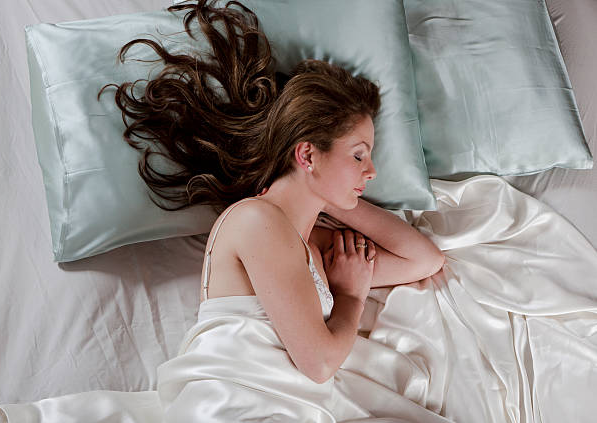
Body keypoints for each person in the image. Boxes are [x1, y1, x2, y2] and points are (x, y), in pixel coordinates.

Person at [101, 0, 445, 412]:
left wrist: (335, 197)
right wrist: (351, 296)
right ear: (307, 155)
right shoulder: (256, 221)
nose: (372, 171)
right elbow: (318, 363)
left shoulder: (313, 246)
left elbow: (423, 259)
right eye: (358, 155)